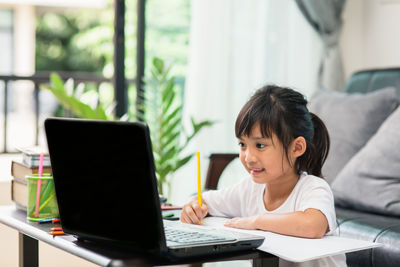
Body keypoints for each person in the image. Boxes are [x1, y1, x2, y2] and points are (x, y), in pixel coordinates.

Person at [180, 85, 347, 267]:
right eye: (242, 144)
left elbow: (313, 225)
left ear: (296, 148)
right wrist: (193, 206)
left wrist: (257, 221)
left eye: (260, 146)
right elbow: (205, 201)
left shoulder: (313, 188)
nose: (248, 157)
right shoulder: (249, 189)